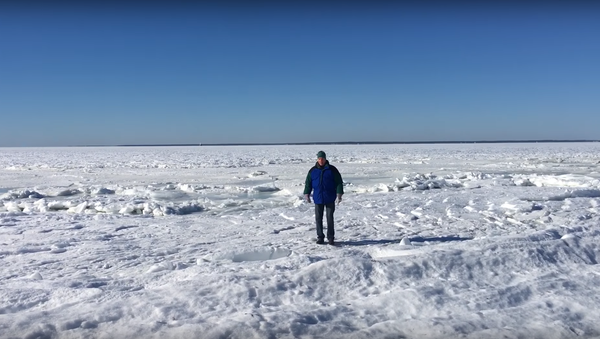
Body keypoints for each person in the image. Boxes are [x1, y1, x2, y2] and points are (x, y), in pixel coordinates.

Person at [304, 151, 344, 245]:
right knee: (318, 218)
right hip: (318, 198)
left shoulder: (332, 170)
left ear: (325, 159)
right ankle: (320, 237)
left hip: (329, 197)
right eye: (319, 159)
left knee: (329, 218)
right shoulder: (312, 171)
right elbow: (308, 183)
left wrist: (339, 194)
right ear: (317, 159)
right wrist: (307, 193)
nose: (321, 160)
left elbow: (339, 182)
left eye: (322, 158)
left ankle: (330, 237)